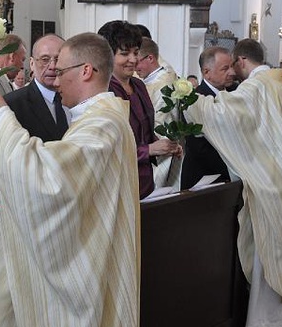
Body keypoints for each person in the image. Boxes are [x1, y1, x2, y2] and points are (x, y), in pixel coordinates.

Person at [0, 32, 140, 327]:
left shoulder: (103, 124)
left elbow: (51, 179)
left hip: (89, 272)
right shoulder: (100, 119)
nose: (55, 79)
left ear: (86, 71)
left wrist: (2, 119)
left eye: (62, 70)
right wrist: (15, 199)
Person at [185, 38, 282, 327]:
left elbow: (226, 115)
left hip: (269, 184)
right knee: (278, 250)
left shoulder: (258, 86)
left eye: (232, 66)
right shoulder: (281, 83)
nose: (231, 73)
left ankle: (265, 325)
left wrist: (188, 99)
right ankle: (274, 321)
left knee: (268, 255)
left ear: (241, 61)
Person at [98, 20, 180, 198]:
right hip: (119, 184)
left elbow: (146, 133)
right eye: (125, 54)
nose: (133, 60)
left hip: (145, 179)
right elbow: (106, 148)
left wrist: (168, 147)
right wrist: (149, 150)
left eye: (136, 53)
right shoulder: (104, 90)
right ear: (107, 55)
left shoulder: (139, 85)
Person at [180, 46, 236, 189]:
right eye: (225, 69)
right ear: (206, 72)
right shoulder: (193, 100)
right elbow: (199, 147)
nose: (232, 72)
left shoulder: (236, 92)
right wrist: (235, 166)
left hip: (233, 177)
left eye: (232, 66)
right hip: (204, 177)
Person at [4, 33, 70, 141]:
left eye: (58, 59)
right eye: (45, 59)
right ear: (31, 64)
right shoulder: (12, 105)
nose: (53, 66)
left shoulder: (78, 100)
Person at [136, 37, 180, 188]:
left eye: (137, 62)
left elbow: (162, 123)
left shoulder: (164, 84)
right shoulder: (148, 80)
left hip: (159, 153)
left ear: (150, 58)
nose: (135, 67)